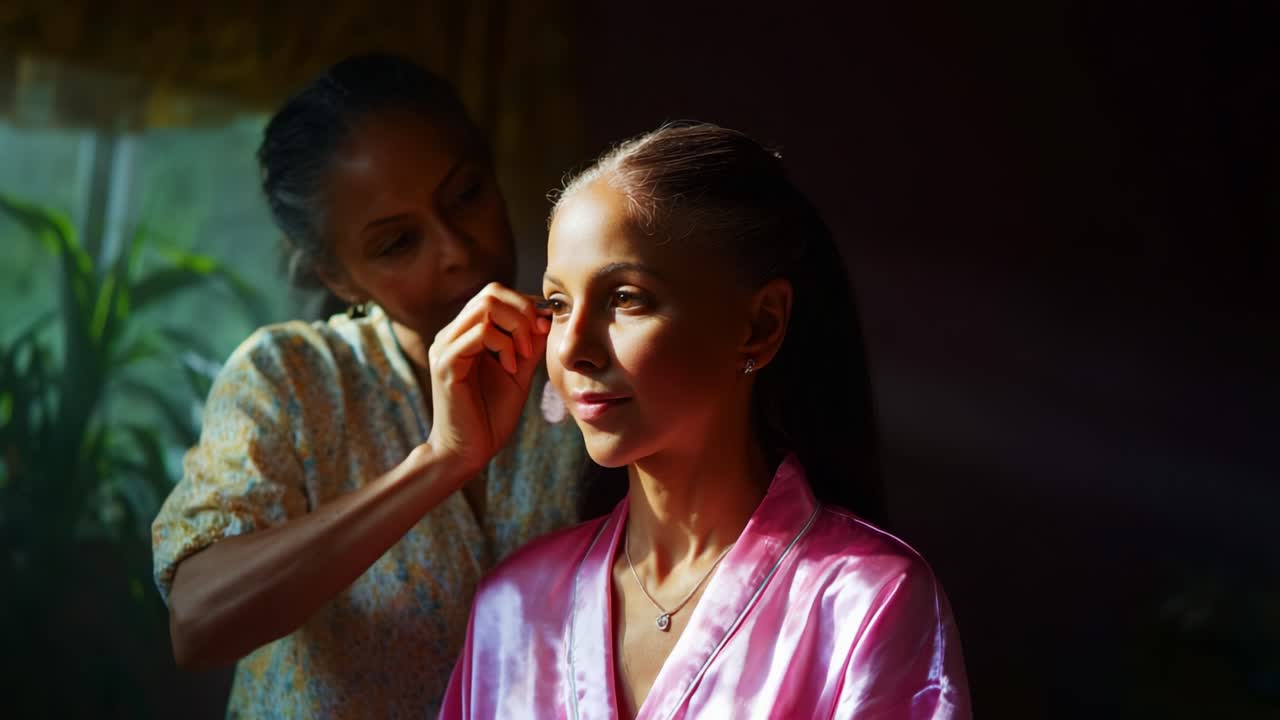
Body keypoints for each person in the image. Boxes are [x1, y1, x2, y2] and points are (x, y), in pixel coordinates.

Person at [440, 123, 971, 719]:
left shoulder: (864, 602)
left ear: (760, 326)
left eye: (625, 298)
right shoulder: (513, 605)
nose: (571, 349)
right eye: (558, 304)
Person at [150, 53, 585, 718]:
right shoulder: (289, 378)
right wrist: (441, 461)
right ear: (338, 279)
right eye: (396, 244)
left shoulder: (585, 364)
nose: (456, 251)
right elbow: (200, 622)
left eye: (466, 194)